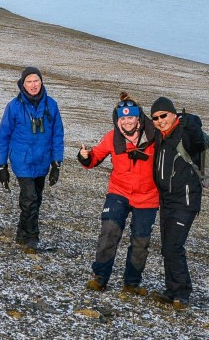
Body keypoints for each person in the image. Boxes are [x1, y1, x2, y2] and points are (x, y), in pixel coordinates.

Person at [78, 93, 158, 296]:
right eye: (123, 118)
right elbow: (95, 158)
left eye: (130, 117)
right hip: (118, 191)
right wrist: (85, 156)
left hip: (148, 196)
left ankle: (131, 283)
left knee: (141, 241)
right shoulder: (112, 137)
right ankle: (100, 278)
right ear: (117, 120)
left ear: (138, 118)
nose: (127, 122)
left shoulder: (155, 136)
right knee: (109, 230)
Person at [0, 66, 64, 254]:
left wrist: (57, 163)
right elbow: (3, 136)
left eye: (36, 81)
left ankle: (20, 233)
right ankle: (33, 237)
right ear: (23, 84)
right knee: (29, 198)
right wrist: (2, 166)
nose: (33, 85)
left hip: (42, 161)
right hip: (22, 160)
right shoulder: (14, 106)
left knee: (36, 200)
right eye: (29, 82)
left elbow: (57, 135)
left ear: (41, 82)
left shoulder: (52, 105)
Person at [148, 96, 206, 310]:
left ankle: (182, 293)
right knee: (167, 247)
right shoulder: (160, 135)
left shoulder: (184, 134)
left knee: (174, 246)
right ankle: (171, 290)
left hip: (186, 200)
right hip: (167, 200)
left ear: (173, 114)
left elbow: (198, 139)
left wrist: (189, 121)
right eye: (155, 117)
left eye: (164, 115)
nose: (160, 120)